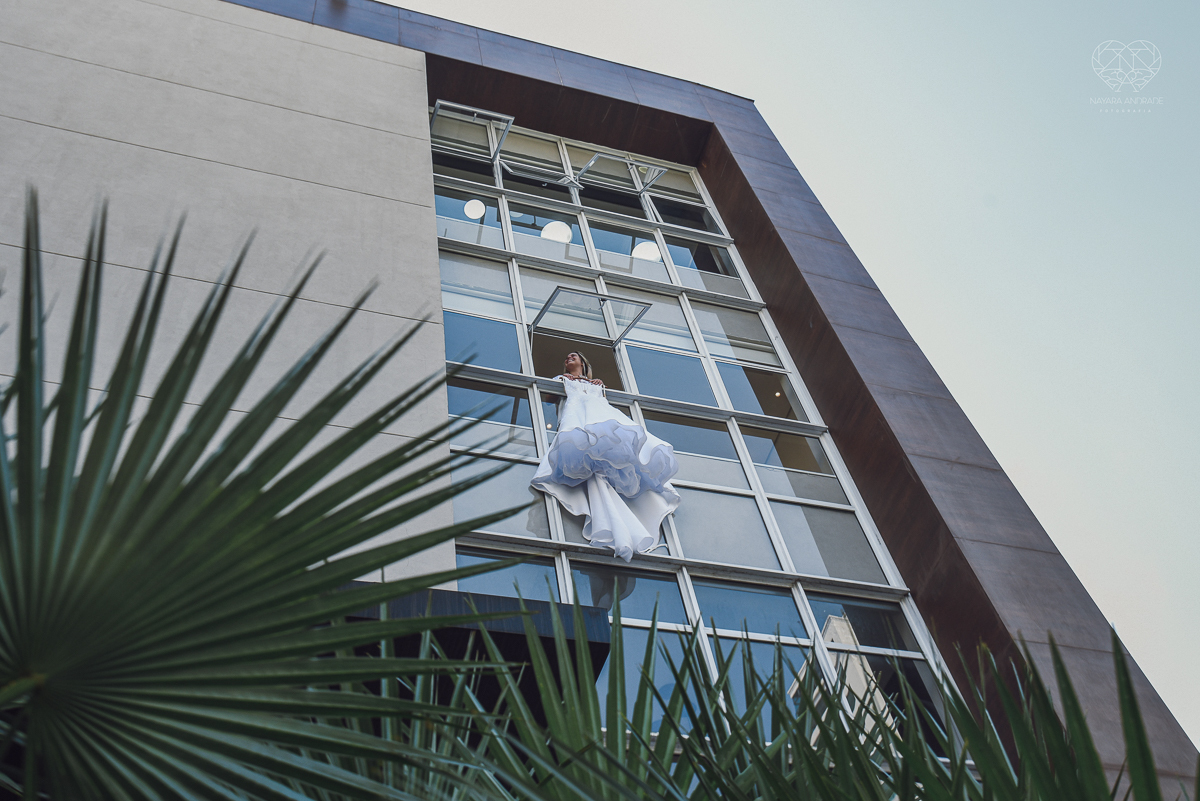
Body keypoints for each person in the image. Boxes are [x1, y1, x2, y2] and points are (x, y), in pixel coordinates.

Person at [531, 352, 681, 561]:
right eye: (565, 357)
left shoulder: (597, 384)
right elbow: (549, 397)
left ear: (583, 362)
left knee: (615, 451)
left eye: (573, 356)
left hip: (600, 416)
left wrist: (597, 386)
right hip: (578, 415)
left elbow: (602, 400)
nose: (568, 358)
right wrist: (564, 379)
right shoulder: (562, 378)